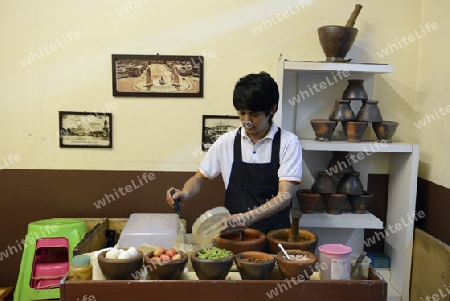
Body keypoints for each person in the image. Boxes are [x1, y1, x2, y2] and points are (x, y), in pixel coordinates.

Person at [165, 72, 302, 235]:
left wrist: (249, 217)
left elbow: (285, 195)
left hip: (275, 237)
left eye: (254, 114)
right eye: (241, 113)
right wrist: (185, 193)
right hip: (234, 234)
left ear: (272, 108)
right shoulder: (226, 142)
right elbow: (198, 178)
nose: (247, 121)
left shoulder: (288, 143)